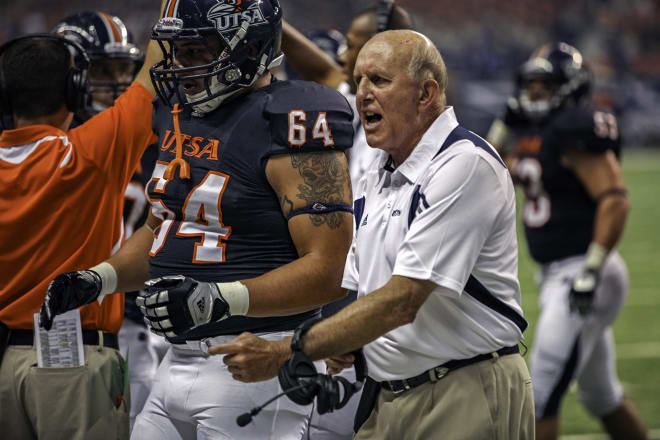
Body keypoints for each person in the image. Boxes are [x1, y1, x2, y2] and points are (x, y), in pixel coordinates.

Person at [40, 0, 355, 439]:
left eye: (195, 52)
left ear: (247, 47)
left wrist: (220, 298)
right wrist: (101, 278)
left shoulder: (289, 120)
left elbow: (331, 270)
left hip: (252, 359)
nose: (178, 67)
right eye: (176, 52)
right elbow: (163, 229)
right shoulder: (183, 115)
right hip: (175, 358)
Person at [209, 29, 535, 440]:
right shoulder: (377, 175)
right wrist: (340, 343)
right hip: (389, 394)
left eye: (378, 80)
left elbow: (402, 300)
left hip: (465, 387)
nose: (362, 93)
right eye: (359, 80)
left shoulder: (464, 165)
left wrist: (284, 353)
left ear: (425, 93)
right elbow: (355, 288)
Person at [0, 26, 159, 440]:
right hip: (72, 355)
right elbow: (154, 67)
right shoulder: (88, 153)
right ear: (75, 91)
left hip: (3, 360)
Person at [486, 43, 647, 440]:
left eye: (546, 84)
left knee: (538, 396)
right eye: (532, 83)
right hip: (558, 274)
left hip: (583, 273)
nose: (535, 92)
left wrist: (590, 270)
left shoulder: (575, 128)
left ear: (570, 87)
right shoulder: (536, 132)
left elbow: (615, 200)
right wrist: (505, 124)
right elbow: (487, 168)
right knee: (601, 396)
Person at [53, 11, 164, 431]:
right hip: (67, 319)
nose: (118, 81)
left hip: (134, 319)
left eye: (124, 69)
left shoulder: (148, 133)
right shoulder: (57, 142)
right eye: (103, 70)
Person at [282, 1, 414, 187]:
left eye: (350, 47)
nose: (341, 58)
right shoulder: (368, 106)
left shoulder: (408, 143)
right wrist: (268, 19)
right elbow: (325, 73)